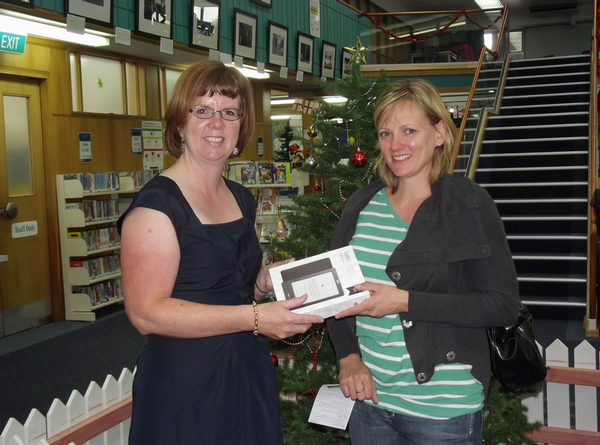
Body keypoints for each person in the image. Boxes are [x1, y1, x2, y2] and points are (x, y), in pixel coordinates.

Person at [117, 60, 323, 445]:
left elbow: (233, 288)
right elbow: (146, 313)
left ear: (241, 126)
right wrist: (256, 316)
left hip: (246, 369)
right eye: (203, 111)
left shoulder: (242, 198)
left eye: (229, 113)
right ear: (180, 123)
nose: (217, 124)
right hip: (187, 382)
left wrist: (260, 285)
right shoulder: (157, 205)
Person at [327, 78, 520, 445]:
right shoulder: (361, 205)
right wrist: (349, 359)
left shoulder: (470, 205)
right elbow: (335, 294)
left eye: (409, 131)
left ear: (439, 133)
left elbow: (502, 306)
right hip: (370, 403)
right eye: (386, 133)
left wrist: (405, 301)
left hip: (442, 411)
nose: (395, 145)